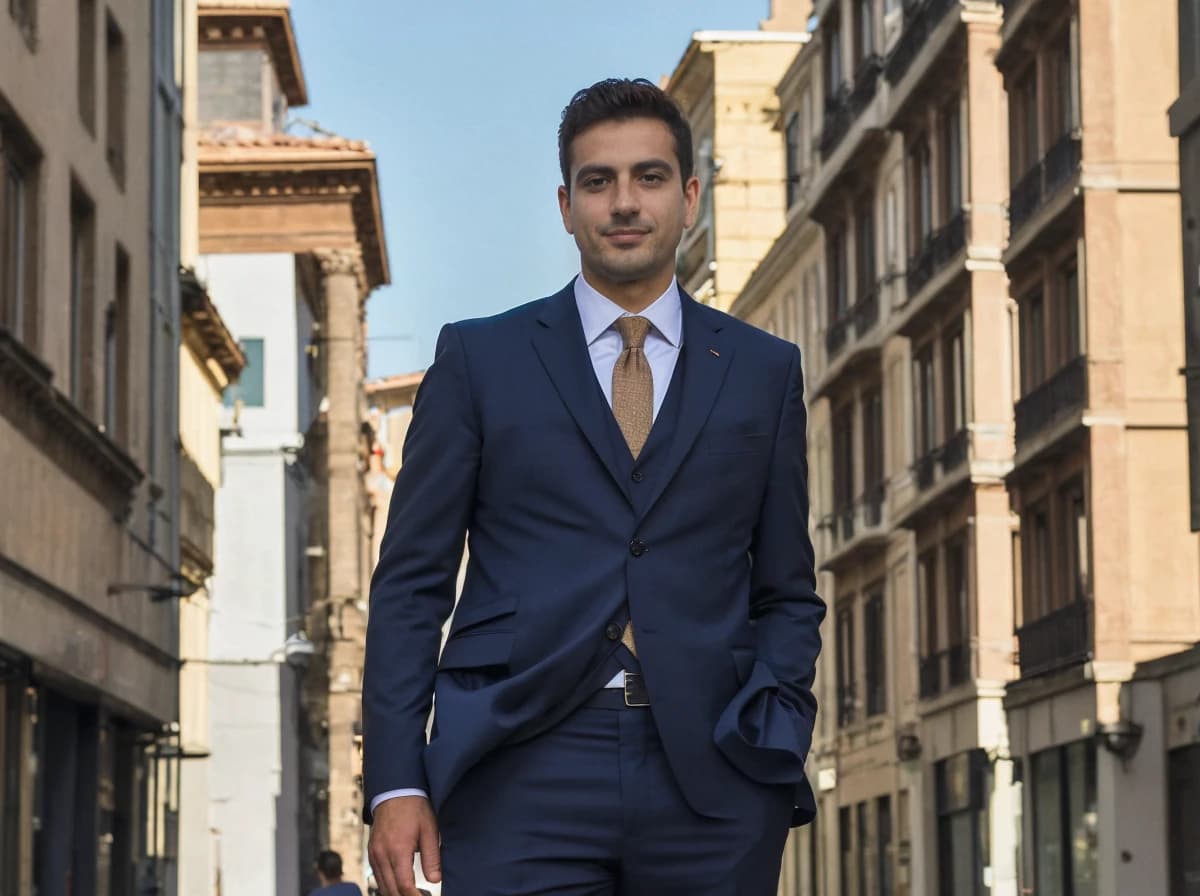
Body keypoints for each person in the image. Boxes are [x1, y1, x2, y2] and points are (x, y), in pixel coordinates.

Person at [363, 77, 824, 896]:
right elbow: (410, 586)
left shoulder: (763, 370)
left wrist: (774, 723)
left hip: (714, 772)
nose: (624, 203)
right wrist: (398, 782)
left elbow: (786, 588)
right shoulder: (480, 360)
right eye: (597, 181)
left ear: (688, 196)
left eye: (649, 178)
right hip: (518, 762)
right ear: (566, 204)